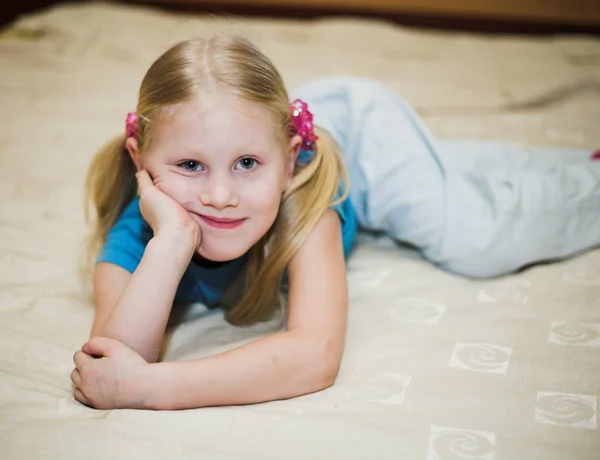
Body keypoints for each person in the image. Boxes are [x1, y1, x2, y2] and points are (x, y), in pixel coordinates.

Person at [71, 36, 600, 410]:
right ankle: (448, 164)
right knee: (444, 189)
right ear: (140, 160)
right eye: (189, 165)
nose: (220, 197)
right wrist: (171, 243)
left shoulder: (304, 202)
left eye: (247, 166)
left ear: (290, 160)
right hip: (264, 123)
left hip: (363, 132)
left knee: (474, 240)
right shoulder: (141, 230)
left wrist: (152, 388)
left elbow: (313, 356)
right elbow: (110, 361)